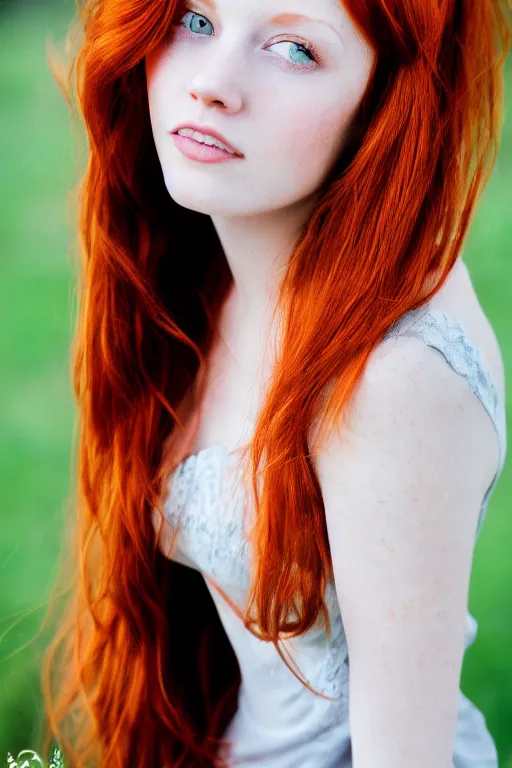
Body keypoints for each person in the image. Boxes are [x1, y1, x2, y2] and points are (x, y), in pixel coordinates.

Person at [40, 0, 510, 766]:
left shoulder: (395, 381)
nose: (213, 84)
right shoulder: (212, 261)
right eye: (196, 19)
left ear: (387, 102)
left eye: (294, 49)